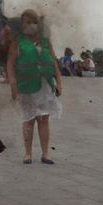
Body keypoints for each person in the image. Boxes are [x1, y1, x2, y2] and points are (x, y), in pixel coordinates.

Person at [7, 9, 62, 164]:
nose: (32, 25)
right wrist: (12, 84)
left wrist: (59, 82)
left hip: (45, 85)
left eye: (34, 22)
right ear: (22, 24)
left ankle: (46, 154)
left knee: (44, 118)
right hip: (25, 86)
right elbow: (10, 65)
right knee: (28, 119)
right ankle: (28, 154)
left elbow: (53, 62)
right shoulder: (17, 42)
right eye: (28, 22)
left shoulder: (45, 42)